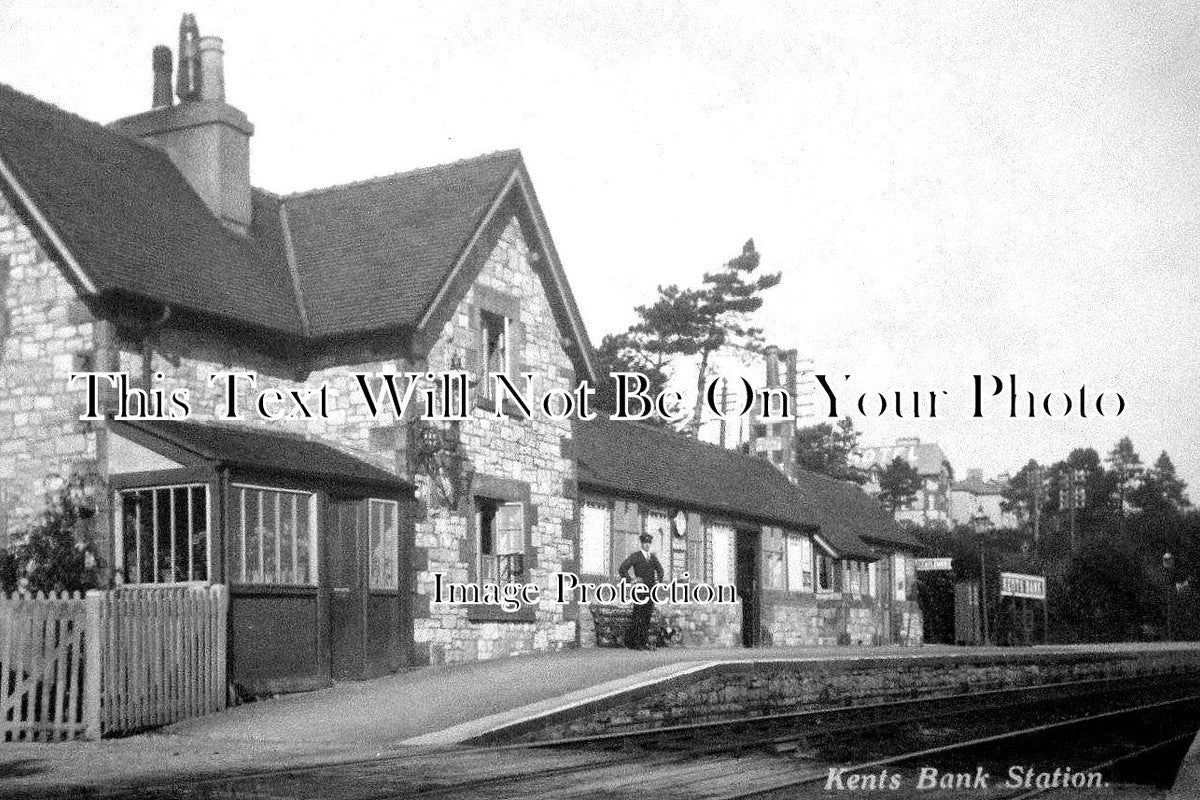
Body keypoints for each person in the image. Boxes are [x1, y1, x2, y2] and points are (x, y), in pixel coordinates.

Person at [619, 532, 664, 650]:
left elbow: (660, 570)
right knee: (638, 616)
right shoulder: (636, 556)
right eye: (645, 543)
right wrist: (631, 580)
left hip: (651, 591)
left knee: (647, 616)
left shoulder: (653, 557)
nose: (647, 545)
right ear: (642, 544)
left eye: (649, 543)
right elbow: (622, 569)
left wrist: (659, 580)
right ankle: (635, 643)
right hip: (639, 590)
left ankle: (643, 642)